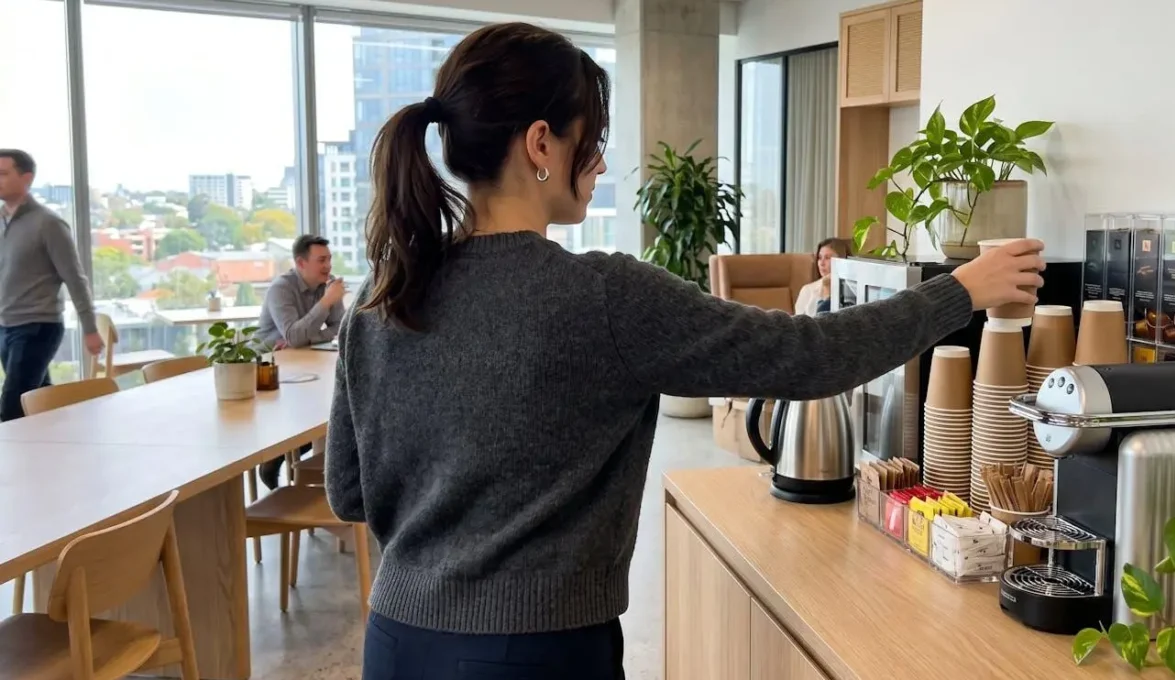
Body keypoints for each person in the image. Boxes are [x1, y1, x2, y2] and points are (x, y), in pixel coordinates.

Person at [325, 22, 1043, 680]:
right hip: (535, 652)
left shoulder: (381, 296)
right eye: (592, 139)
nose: (600, 162)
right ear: (541, 144)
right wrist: (960, 291)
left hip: (397, 641)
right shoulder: (602, 295)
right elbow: (810, 356)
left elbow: (348, 492)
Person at [0, 149, 103, 422]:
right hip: (6, 326)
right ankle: (65, 452)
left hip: (38, 327)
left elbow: (75, 277)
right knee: (40, 403)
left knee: (11, 408)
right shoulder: (2, 221)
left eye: (3, 173)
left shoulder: (48, 223)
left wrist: (90, 328)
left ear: (26, 178)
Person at [255, 233, 345, 488]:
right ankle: (275, 459)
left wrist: (309, 335)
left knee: (320, 411)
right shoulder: (280, 289)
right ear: (301, 263)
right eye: (321, 260)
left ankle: (283, 461)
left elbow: (340, 327)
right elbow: (294, 336)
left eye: (329, 259)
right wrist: (327, 302)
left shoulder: (327, 284)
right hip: (269, 370)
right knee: (304, 416)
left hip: (305, 364)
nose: (328, 266)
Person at [794, 236, 853, 317]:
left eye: (827, 258)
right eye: (819, 258)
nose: (821, 263)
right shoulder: (807, 290)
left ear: (842, 260)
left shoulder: (853, 290)